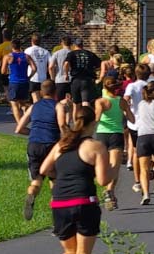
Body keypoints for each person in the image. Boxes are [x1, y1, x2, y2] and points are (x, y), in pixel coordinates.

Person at [39, 106, 111, 254]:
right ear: (93, 124)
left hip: (60, 203)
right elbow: (103, 181)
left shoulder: (62, 144)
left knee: (70, 251)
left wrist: (61, 175)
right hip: (84, 201)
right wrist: (114, 169)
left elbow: (44, 170)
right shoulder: (96, 146)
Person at [15, 81, 68, 221]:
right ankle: (58, 212)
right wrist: (67, 139)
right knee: (54, 177)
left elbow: (19, 129)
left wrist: (33, 132)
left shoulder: (34, 107)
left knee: (36, 179)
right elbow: (62, 124)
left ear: (41, 92)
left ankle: (31, 194)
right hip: (51, 145)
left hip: (34, 144)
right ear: (55, 92)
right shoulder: (58, 106)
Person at [92, 77, 134, 211]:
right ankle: (110, 191)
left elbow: (97, 118)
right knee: (115, 166)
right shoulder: (121, 101)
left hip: (102, 134)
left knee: (105, 165)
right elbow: (131, 118)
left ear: (104, 87)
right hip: (117, 134)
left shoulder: (100, 102)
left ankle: (109, 192)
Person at [122, 64, 150, 194]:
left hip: (135, 122)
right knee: (149, 151)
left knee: (135, 150)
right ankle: (150, 170)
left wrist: (127, 110)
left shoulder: (132, 86)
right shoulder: (151, 86)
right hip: (149, 122)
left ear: (135, 74)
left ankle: (137, 181)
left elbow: (125, 99)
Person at [63, 39, 100, 116]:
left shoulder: (71, 54)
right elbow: (100, 64)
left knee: (75, 104)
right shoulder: (90, 54)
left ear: (75, 45)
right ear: (82, 45)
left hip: (76, 79)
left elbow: (66, 64)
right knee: (86, 103)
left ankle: (76, 123)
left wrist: (66, 74)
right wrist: (93, 71)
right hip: (87, 80)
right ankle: (86, 122)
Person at [1, 43, 35, 123]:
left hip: (14, 82)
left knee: (14, 104)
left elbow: (3, 71)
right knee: (23, 103)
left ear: (12, 47)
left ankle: (20, 124)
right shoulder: (26, 56)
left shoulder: (8, 56)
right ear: (20, 47)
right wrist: (29, 76)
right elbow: (34, 68)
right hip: (24, 82)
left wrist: (8, 72)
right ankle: (26, 117)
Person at [25, 34, 51, 103]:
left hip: (33, 77)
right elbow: (51, 64)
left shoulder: (28, 51)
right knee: (44, 98)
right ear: (40, 41)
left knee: (35, 98)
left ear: (32, 41)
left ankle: (38, 112)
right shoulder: (46, 51)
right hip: (43, 78)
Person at [48, 36, 73, 101]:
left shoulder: (57, 53)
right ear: (70, 43)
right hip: (72, 79)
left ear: (62, 43)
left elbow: (50, 67)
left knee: (59, 101)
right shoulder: (73, 53)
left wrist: (52, 78)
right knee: (71, 101)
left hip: (60, 80)